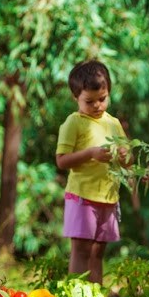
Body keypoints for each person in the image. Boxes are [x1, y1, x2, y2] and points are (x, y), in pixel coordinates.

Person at [55, 60, 129, 284]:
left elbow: (127, 159)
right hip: (83, 197)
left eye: (102, 99)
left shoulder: (114, 123)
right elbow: (62, 161)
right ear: (75, 97)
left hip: (108, 197)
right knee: (81, 250)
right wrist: (90, 154)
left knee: (98, 252)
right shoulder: (73, 123)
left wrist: (126, 156)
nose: (97, 105)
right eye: (89, 101)